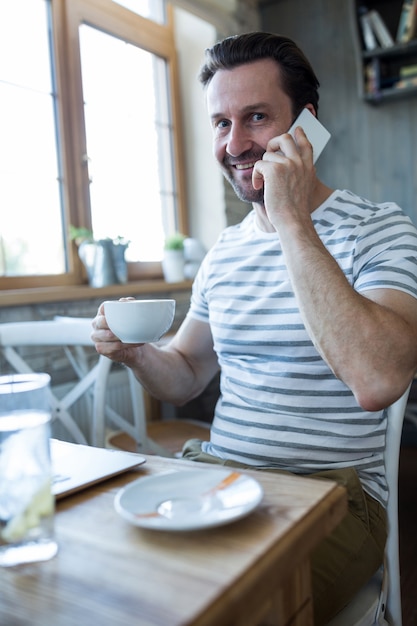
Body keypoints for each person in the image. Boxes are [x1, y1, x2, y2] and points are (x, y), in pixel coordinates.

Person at [92, 32, 417, 624]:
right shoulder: (223, 254)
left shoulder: (381, 230)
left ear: (306, 126)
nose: (235, 144)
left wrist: (289, 216)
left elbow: (378, 378)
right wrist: (136, 354)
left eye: (257, 118)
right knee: (109, 583)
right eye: (221, 123)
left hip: (336, 498)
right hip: (217, 481)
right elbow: (187, 373)